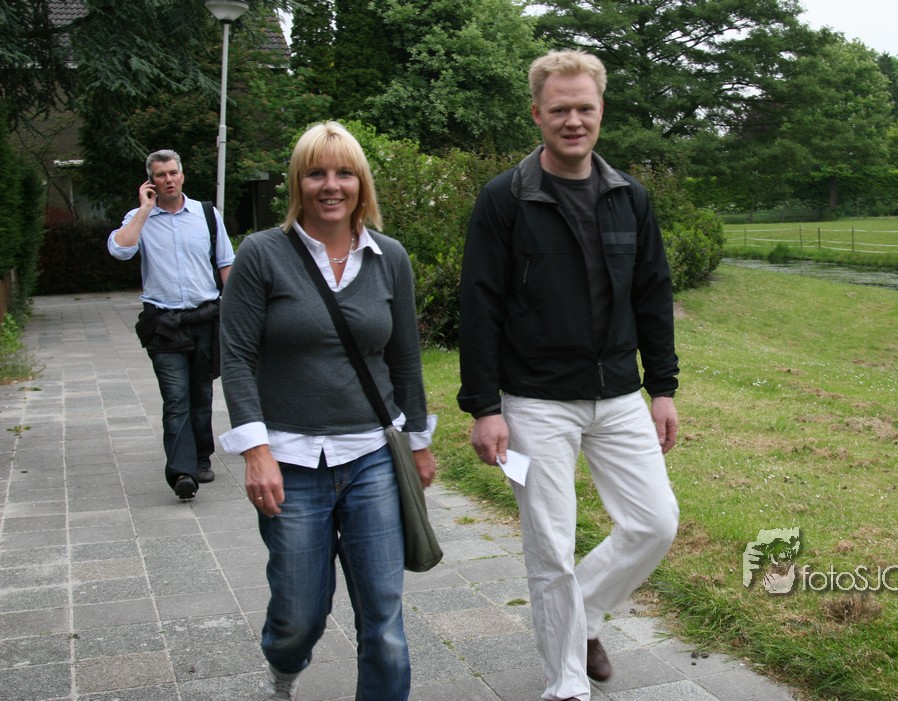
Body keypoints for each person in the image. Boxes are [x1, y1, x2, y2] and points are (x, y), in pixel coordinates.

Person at [457, 49, 680, 701]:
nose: (573, 120)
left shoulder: (628, 197)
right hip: (534, 403)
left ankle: (580, 615)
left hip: (618, 395)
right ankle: (566, 684)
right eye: (559, 109)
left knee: (655, 522)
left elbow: (652, 295)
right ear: (537, 114)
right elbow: (479, 305)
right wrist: (485, 406)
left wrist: (662, 388)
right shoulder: (505, 199)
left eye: (584, 107)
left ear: (601, 109)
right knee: (549, 546)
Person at [218, 121, 437, 701]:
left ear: (361, 183)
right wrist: (256, 451)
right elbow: (235, 357)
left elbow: (405, 359)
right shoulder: (262, 254)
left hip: (372, 457)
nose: (331, 185)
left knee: (383, 617)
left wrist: (418, 444)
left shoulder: (389, 258)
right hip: (290, 463)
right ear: (298, 182)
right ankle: (283, 669)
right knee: (299, 614)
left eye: (344, 173)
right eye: (316, 173)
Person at [108, 149, 234, 501]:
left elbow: (226, 262)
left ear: (182, 174)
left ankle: (201, 456)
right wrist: (144, 210)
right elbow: (119, 250)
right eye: (160, 175)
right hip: (163, 323)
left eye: (173, 172)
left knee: (201, 395)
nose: (168, 179)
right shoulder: (140, 217)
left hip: (205, 318)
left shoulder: (206, 215)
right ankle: (182, 472)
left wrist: (239, 309)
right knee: (176, 398)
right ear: (151, 181)